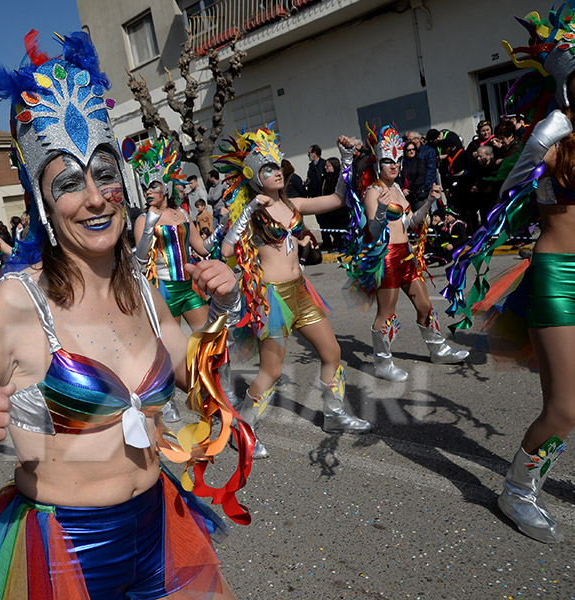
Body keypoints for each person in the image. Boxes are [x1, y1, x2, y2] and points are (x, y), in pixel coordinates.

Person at [0, 31, 253, 599]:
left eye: (105, 174)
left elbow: (193, 379)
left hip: (161, 524)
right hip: (65, 554)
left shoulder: (137, 277)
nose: (95, 197)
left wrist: (218, 311)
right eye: (69, 182)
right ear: (41, 201)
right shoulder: (14, 304)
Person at [444, 3, 575, 544]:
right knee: (566, 406)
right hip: (559, 277)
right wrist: (549, 176)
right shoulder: (555, 131)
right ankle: (518, 490)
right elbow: (508, 192)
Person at [216, 126, 373, 459]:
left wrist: (346, 161)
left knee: (332, 353)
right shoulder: (253, 214)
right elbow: (227, 252)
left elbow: (337, 199)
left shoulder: (294, 204)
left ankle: (334, 414)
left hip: (301, 291)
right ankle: (243, 430)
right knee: (271, 372)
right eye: (267, 168)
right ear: (253, 175)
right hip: (271, 298)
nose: (276, 172)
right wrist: (245, 214)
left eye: (278, 165)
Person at [344, 124, 468, 382]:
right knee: (386, 313)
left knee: (425, 305)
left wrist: (430, 203)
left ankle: (438, 349)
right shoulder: (373, 192)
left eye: (398, 161)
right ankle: (383, 363)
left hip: (406, 255)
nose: (394, 166)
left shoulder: (398, 189)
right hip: (386, 257)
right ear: (378, 162)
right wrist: (380, 210)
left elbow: (409, 222)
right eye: (389, 161)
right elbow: (372, 231)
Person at [132, 137, 215, 332]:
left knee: (209, 336)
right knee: (174, 350)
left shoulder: (182, 214)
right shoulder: (143, 220)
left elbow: (202, 248)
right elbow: (141, 261)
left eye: (153, 186)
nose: (147, 192)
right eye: (145, 188)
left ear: (166, 187)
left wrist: (223, 232)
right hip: (164, 290)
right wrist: (148, 228)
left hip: (189, 286)